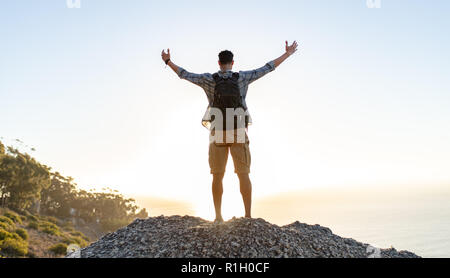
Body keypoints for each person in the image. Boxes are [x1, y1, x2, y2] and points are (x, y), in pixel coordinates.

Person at [161, 41, 298, 223]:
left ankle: (218, 216)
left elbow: (184, 75)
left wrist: (168, 61)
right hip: (238, 126)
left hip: (217, 127)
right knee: (243, 174)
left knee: (217, 175)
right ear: (232, 63)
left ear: (218, 63)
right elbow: (267, 68)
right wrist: (287, 54)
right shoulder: (241, 77)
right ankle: (248, 215)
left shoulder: (208, 79)